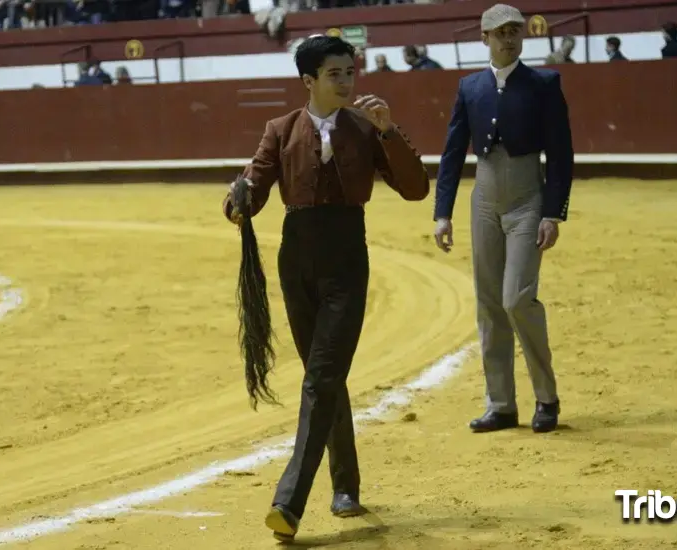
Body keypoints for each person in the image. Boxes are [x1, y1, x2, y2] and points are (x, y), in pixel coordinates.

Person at [221, 35, 430, 541]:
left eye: (349, 72)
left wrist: (388, 134)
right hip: (296, 260)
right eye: (334, 73)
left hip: (345, 260)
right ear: (309, 81)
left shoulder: (366, 128)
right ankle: (346, 487)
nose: (346, 81)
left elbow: (415, 188)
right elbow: (255, 188)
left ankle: (289, 503)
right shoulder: (281, 129)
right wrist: (238, 200)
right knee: (325, 378)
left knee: (320, 377)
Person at [432, 3, 573, 435]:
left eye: (515, 31)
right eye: (500, 33)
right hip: (485, 198)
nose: (509, 38)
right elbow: (454, 152)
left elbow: (561, 152)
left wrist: (553, 212)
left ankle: (546, 398)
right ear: (484, 39)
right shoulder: (469, 87)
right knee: (489, 303)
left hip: (529, 197)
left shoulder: (544, 83)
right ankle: (502, 404)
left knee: (516, 299)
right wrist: (443, 213)